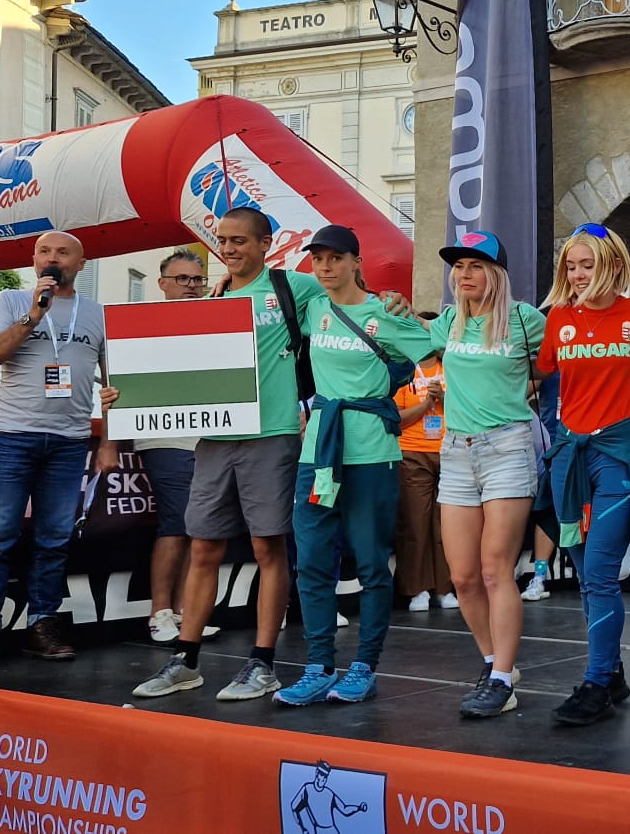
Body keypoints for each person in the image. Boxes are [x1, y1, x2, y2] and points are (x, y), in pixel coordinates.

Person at [134, 207, 330, 703]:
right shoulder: (212, 298)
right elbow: (175, 370)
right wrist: (127, 397)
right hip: (214, 439)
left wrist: (388, 301)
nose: (228, 249)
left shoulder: (293, 287)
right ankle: (186, 660)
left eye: (239, 240)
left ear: (265, 243)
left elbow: (348, 305)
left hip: (273, 433)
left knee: (268, 548)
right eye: (222, 240)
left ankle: (263, 663)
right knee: (203, 546)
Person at [271, 225, 434, 706]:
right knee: (311, 562)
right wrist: (222, 284)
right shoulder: (311, 307)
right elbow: (261, 287)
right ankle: (319, 666)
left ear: (356, 262)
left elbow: (436, 351)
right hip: (319, 454)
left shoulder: (384, 312)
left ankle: (365, 666)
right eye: (318, 258)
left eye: (335, 258)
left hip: (372, 454)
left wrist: (410, 311)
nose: (325, 267)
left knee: (370, 563)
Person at [537, 223, 630, 725]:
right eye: (572, 266)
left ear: (614, 266)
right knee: (586, 576)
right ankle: (613, 672)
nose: (578, 274)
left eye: (588, 264)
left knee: (599, 574)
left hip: (618, 456)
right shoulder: (558, 319)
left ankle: (597, 682)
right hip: (569, 458)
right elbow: (537, 373)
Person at [0, 231, 117, 667]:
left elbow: (115, 385)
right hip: (12, 434)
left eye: (63, 252)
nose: (53, 258)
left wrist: (108, 442)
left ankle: (42, 625)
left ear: (81, 264)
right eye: (45, 252)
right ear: (34, 260)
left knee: (54, 539)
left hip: (70, 441)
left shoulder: (98, 314)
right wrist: (33, 315)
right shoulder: (11, 301)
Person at [429, 231, 544, 719]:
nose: (465, 274)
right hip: (456, 451)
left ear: (496, 273)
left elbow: (562, 361)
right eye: (459, 266)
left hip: (508, 449)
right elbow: (398, 337)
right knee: (462, 575)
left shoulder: (525, 319)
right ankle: (495, 663)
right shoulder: (448, 322)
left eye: (476, 265)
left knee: (496, 568)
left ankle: (500, 680)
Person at [140, 249, 213, 643]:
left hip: (209, 438)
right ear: (162, 283)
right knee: (176, 522)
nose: (191, 286)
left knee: (197, 527)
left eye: (197, 279)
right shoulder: (143, 323)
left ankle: (185, 612)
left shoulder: (216, 320)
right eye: (182, 279)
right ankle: (159, 612)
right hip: (164, 438)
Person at [394, 346, 456, 612]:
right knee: (415, 523)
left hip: (450, 450)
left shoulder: (451, 367)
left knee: (447, 525)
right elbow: (396, 418)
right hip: (413, 452)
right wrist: (425, 405)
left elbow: (470, 406)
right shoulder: (403, 369)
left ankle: (445, 588)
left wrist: (444, 397)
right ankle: (417, 589)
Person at [521, 375, 561, 603]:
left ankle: (540, 576)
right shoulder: (547, 362)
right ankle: (538, 576)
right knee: (544, 510)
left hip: (583, 437)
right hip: (549, 443)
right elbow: (523, 388)